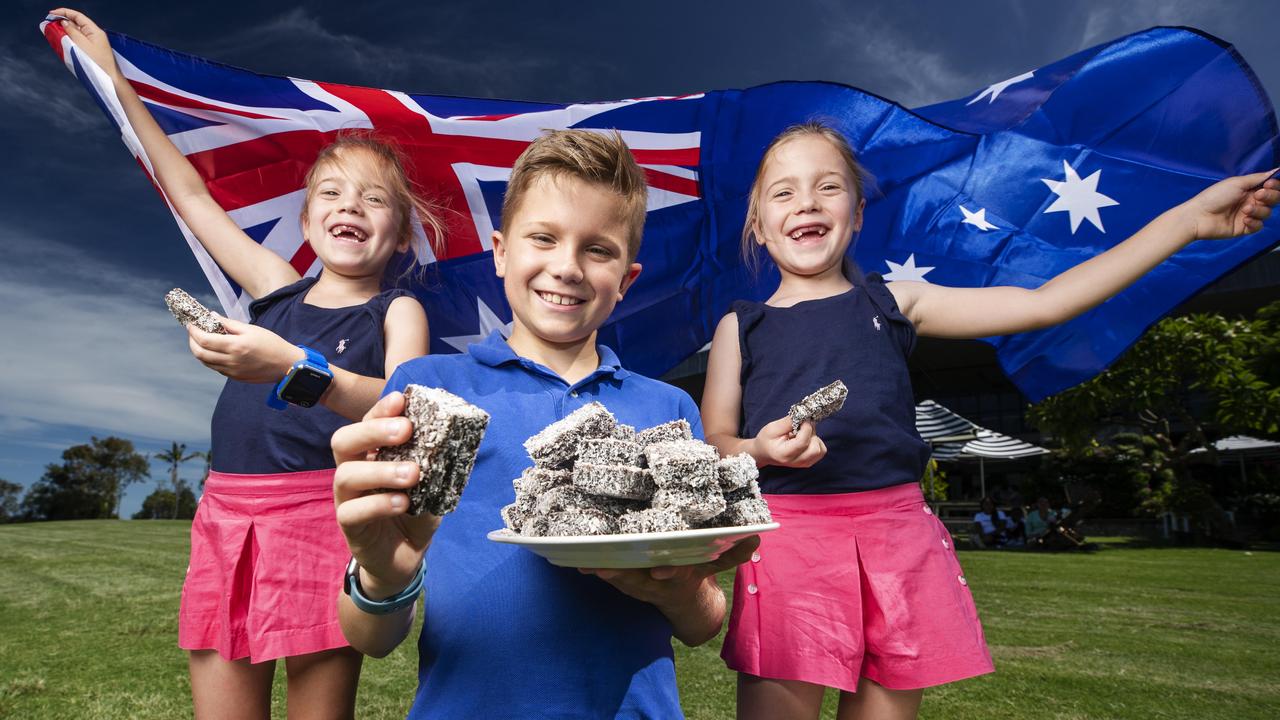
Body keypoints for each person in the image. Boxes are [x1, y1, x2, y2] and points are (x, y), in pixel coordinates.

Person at [699, 120, 1278, 719]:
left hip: (900, 538)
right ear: (759, 225)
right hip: (793, 542)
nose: (808, 203)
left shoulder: (896, 300)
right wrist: (760, 451)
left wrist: (1188, 221)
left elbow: (1046, 302)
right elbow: (715, 441)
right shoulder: (739, 328)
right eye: (784, 192)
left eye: (829, 186)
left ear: (859, 213)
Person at [57, 11, 442, 719]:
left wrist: (295, 367)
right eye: (331, 192)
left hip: (323, 517)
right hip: (225, 514)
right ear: (305, 221)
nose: (349, 205)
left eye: (373, 197)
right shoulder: (273, 286)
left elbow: (406, 412)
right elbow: (192, 198)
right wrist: (116, 80)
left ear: (400, 231)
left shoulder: (396, 311)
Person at [331, 129, 758, 718]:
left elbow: (701, 626)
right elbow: (371, 639)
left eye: (598, 250)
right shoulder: (426, 389)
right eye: (544, 238)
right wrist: (381, 575)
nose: (567, 267)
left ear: (627, 279)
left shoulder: (669, 409)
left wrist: (685, 588)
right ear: (502, 252)